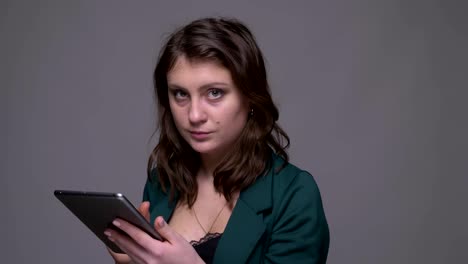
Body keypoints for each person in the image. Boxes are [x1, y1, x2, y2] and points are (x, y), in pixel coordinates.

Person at [104, 17, 329, 264]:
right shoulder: (161, 182)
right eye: (180, 94)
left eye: (214, 93)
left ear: (250, 98)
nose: (194, 115)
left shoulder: (294, 194)